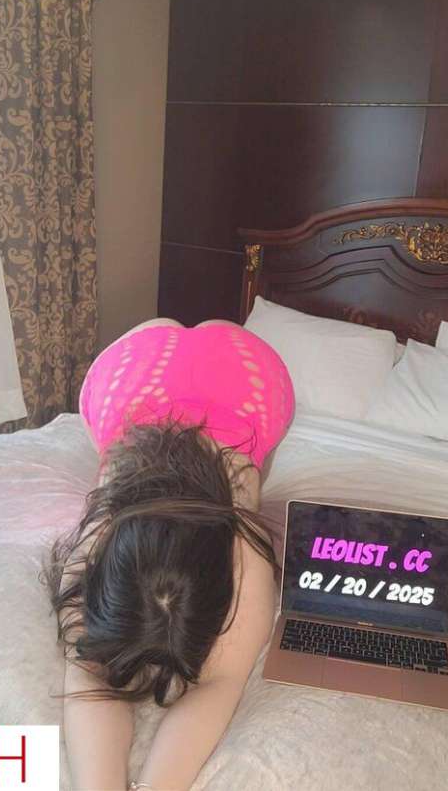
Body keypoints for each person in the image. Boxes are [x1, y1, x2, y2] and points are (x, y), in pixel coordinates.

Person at [43, 317, 295, 791]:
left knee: (253, 457)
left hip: (248, 378)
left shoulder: (241, 536)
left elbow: (220, 682)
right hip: (139, 379)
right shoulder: (101, 530)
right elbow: (90, 671)